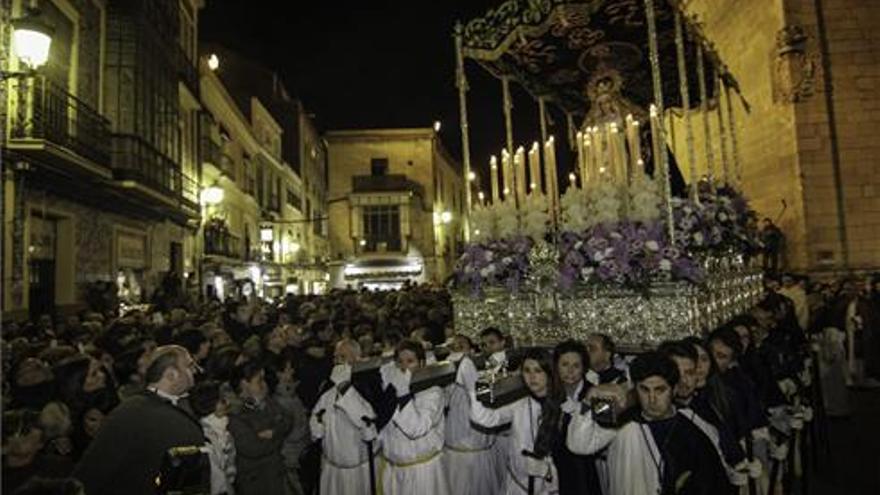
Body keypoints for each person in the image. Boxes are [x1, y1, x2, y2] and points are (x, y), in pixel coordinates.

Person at [566, 352, 734, 495]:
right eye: (645, 390)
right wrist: (589, 399)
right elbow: (577, 444)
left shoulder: (692, 427)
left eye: (660, 390)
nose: (652, 399)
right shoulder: (620, 416)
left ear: (674, 389)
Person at [72, 345, 205, 495]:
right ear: (171, 375)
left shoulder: (130, 408)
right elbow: (93, 472)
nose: (197, 370)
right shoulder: (135, 414)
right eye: (189, 365)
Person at [464, 347, 562, 495]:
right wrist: (477, 386)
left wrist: (547, 470)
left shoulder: (564, 407)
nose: (532, 377)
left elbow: (572, 460)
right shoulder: (520, 404)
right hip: (518, 485)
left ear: (549, 373)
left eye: (538, 370)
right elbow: (486, 418)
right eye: (527, 371)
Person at [378, 339, 449, 494]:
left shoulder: (432, 392)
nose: (403, 367)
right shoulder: (392, 391)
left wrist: (403, 396)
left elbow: (416, 428)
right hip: (394, 470)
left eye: (410, 361)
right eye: (399, 362)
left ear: (422, 364)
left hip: (422, 471)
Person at [309, 339, 377, 495]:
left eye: (342, 357)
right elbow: (317, 415)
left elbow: (366, 421)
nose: (337, 362)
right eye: (335, 357)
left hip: (357, 470)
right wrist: (317, 426)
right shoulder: (327, 389)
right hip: (332, 468)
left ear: (356, 359)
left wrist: (345, 389)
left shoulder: (365, 386)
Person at [443, 345, 503, 495]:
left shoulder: (488, 381)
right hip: (454, 458)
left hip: (479, 458)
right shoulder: (449, 386)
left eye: (462, 345)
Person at [228, 360, 292, 495]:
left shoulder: (265, 400)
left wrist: (274, 433)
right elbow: (253, 448)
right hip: (255, 480)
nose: (264, 384)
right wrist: (279, 435)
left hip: (274, 473)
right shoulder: (235, 413)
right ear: (244, 384)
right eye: (259, 380)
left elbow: (288, 419)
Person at [551, 340, 603, 495]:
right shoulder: (551, 393)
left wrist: (582, 410)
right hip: (554, 469)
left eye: (576, 366)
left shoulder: (595, 394)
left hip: (585, 469)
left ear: (584, 368)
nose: (570, 371)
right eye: (564, 364)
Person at [190, 380, 236, 495]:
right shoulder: (204, 436)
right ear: (209, 404)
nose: (228, 403)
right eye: (222, 401)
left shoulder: (223, 431)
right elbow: (217, 482)